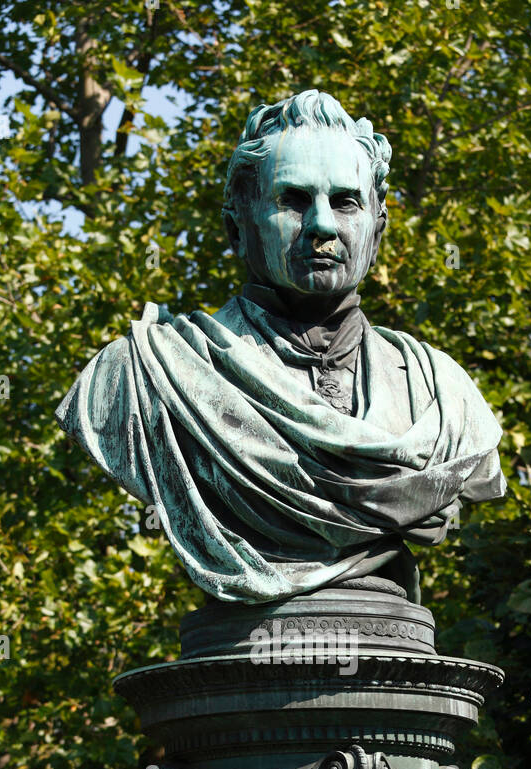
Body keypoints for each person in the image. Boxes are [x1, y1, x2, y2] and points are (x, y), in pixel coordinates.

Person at [56, 90, 505, 604]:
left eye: (345, 201)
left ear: (377, 229)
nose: (321, 225)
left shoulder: (442, 393)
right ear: (237, 228)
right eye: (292, 200)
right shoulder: (145, 375)